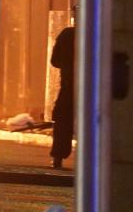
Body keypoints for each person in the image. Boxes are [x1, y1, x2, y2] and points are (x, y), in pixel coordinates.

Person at [50, 9, 76, 169]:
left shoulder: (66, 35)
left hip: (68, 86)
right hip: (94, 88)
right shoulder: (98, 33)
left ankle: (58, 157)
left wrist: (67, 66)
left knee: (62, 121)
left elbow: (55, 60)